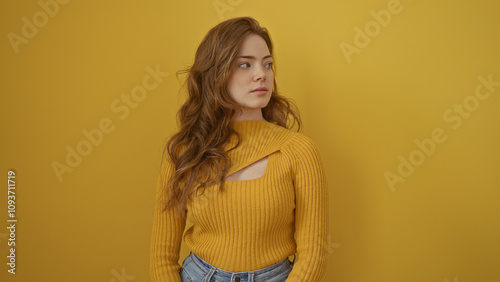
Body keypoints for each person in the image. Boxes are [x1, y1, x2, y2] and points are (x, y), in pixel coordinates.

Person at [150, 16, 329, 282]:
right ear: (216, 74)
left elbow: (313, 253)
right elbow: (161, 256)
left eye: (267, 64)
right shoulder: (186, 152)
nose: (262, 74)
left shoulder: (299, 151)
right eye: (245, 64)